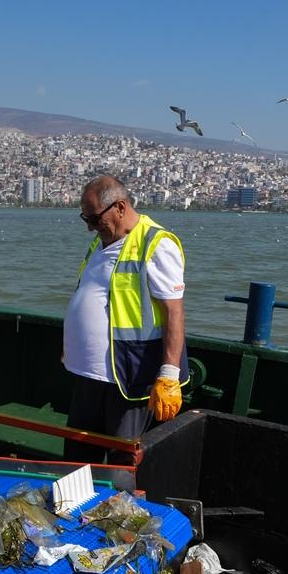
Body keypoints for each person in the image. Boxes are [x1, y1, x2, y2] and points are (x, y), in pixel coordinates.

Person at [63, 176, 188, 465]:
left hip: (127, 374)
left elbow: (174, 312)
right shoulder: (102, 241)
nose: (90, 227)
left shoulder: (156, 243)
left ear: (119, 207)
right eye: (85, 218)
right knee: (77, 458)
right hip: (88, 374)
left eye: (94, 218)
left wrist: (169, 374)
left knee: (122, 461)